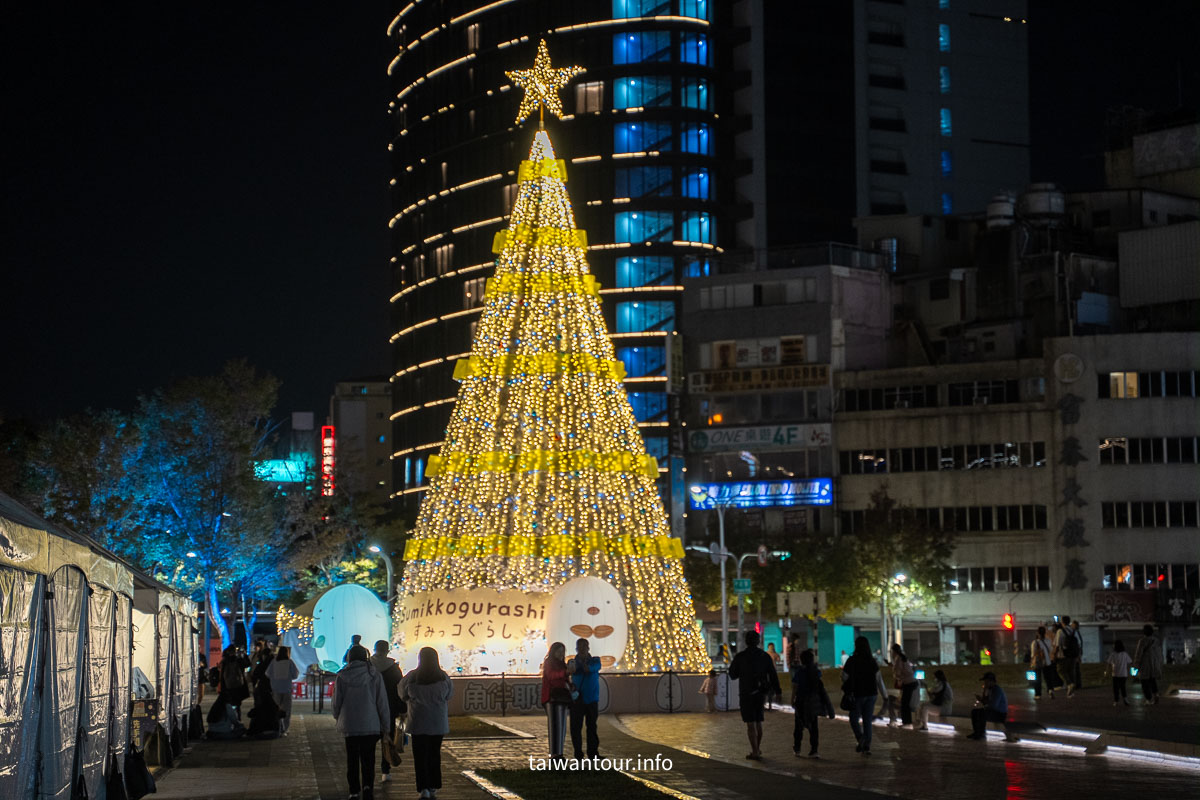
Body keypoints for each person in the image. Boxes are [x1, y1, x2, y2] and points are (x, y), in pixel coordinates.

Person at [333, 645, 390, 800]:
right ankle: (368, 787)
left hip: (350, 723)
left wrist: (337, 716)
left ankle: (353, 790)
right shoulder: (374, 675)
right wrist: (386, 725)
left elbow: (337, 701)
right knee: (368, 758)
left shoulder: (342, 676)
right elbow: (382, 702)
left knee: (352, 759)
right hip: (370, 724)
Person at [401, 647, 453, 800]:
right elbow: (449, 695)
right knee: (434, 754)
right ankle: (433, 785)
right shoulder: (443, 677)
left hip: (418, 722)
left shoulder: (412, 677)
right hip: (437, 723)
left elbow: (402, 693)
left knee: (420, 756)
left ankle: (423, 787)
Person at [728, 629, 781, 761]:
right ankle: (757, 749)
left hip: (746, 692)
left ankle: (755, 751)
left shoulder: (741, 657)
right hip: (760, 693)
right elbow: (773, 675)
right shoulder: (764, 656)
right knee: (758, 721)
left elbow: (732, 674)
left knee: (750, 723)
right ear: (758, 641)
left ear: (746, 641)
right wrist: (778, 690)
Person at [370, 640, 406, 782]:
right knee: (387, 739)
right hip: (390, 708)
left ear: (374, 649)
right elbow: (400, 690)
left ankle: (369, 771)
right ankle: (386, 771)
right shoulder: (394, 668)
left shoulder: (369, 666)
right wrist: (402, 709)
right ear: (387, 651)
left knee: (370, 742)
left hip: (371, 707)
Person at [841, 636, 879, 756]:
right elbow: (878, 678)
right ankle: (866, 746)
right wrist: (885, 696)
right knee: (867, 720)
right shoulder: (872, 661)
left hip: (857, 694)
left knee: (854, 719)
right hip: (872, 693)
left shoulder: (852, 660)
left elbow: (844, 676)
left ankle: (861, 738)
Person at [792, 649, 834, 758]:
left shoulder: (799, 672)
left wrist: (792, 699)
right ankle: (814, 750)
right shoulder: (816, 671)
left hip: (801, 701)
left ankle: (797, 748)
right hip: (813, 702)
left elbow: (795, 687)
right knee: (814, 726)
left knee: (798, 726)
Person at [569, 638, 603, 760]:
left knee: (592, 727)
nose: (582, 649)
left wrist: (582, 663)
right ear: (577, 648)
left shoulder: (595, 660)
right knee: (576, 727)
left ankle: (593, 753)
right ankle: (578, 753)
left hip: (591, 699)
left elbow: (589, 669)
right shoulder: (572, 661)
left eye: (584, 646)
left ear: (588, 647)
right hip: (577, 699)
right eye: (580, 646)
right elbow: (570, 671)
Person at [540, 642, 572, 760]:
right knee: (554, 725)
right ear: (553, 651)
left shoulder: (562, 664)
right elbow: (551, 675)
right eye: (559, 651)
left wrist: (570, 684)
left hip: (562, 697)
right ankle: (554, 753)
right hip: (551, 697)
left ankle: (559, 752)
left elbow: (564, 679)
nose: (561, 654)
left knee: (561, 724)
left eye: (563, 651)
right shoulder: (549, 663)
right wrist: (565, 673)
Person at [968, 672, 1013, 741]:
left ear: (991, 681)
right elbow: (987, 703)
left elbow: (993, 705)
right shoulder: (990, 690)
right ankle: (977, 732)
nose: (984, 683)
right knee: (974, 712)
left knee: (982, 713)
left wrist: (984, 702)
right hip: (993, 711)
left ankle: (981, 733)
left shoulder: (997, 690)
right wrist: (983, 693)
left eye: (986, 681)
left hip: (999, 714)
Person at [266, 645, 300, 735]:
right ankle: (285, 728)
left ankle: (277, 727)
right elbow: (295, 675)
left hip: (275, 688)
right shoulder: (289, 662)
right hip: (286, 688)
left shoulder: (274, 662)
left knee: (275, 708)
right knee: (286, 710)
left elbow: (267, 673)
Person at [1132, 624, 1164, 704]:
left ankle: (1149, 699)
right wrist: (1159, 663)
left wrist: (1136, 665)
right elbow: (1159, 653)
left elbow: (1138, 654)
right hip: (1154, 664)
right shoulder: (1156, 641)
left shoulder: (1142, 641)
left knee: (1144, 682)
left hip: (1145, 664)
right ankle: (1156, 694)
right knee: (1152, 680)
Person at [890, 643, 918, 727]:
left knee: (905, 704)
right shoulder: (903, 657)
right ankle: (907, 722)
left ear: (894, 651)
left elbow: (898, 672)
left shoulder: (898, 659)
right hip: (911, 682)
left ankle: (907, 723)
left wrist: (896, 675)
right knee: (905, 703)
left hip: (908, 683)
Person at [219, 645, 251, 717]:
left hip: (228, 686)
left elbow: (222, 676)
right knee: (237, 704)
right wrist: (245, 655)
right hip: (238, 685)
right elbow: (248, 664)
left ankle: (231, 719)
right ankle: (238, 719)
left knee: (229, 703)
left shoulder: (225, 661)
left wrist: (222, 687)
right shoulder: (238, 660)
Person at [1054, 616, 1081, 697]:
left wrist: (1054, 654)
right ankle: (1071, 692)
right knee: (1071, 672)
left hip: (1064, 654)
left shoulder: (1060, 631)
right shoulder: (1073, 630)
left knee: (1060, 670)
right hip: (1073, 654)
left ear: (1062, 622)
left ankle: (1069, 684)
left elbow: (1058, 645)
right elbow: (1078, 643)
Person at [1030, 626, 1056, 700]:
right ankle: (1050, 690)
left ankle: (1038, 694)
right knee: (1048, 678)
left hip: (1038, 663)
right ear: (1045, 633)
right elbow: (1050, 650)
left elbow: (1033, 655)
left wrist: (1032, 663)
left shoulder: (1034, 642)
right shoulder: (1048, 641)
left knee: (1037, 679)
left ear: (1037, 633)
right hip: (1047, 662)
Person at [1107, 640, 1132, 706]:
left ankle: (1116, 701)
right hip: (1123, 674)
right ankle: (1125, 699)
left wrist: (1107, 671)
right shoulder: (1125, 654)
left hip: (1115, 673)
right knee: (1122, 687)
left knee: (1116, 688)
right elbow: (1129, 662)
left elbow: (1109, 663)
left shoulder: (1113, 654)